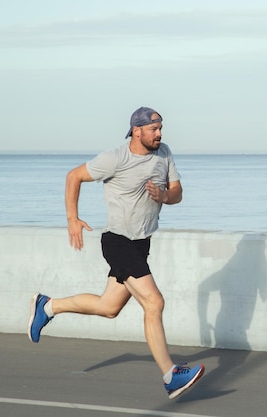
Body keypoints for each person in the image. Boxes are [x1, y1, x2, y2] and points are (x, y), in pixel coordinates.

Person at [27, 106, 204, 399]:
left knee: (108, 307)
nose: (159, 134)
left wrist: (164, 196)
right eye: (153, 129)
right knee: (154, 302)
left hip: (140, 243)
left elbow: (178, 193)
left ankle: (47, 306)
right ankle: (170, 375)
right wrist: (73, 218)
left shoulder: (164, 153)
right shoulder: (115, 158)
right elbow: (74, 176)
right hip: (118, 242)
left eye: (160, 129)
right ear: (137, 131)